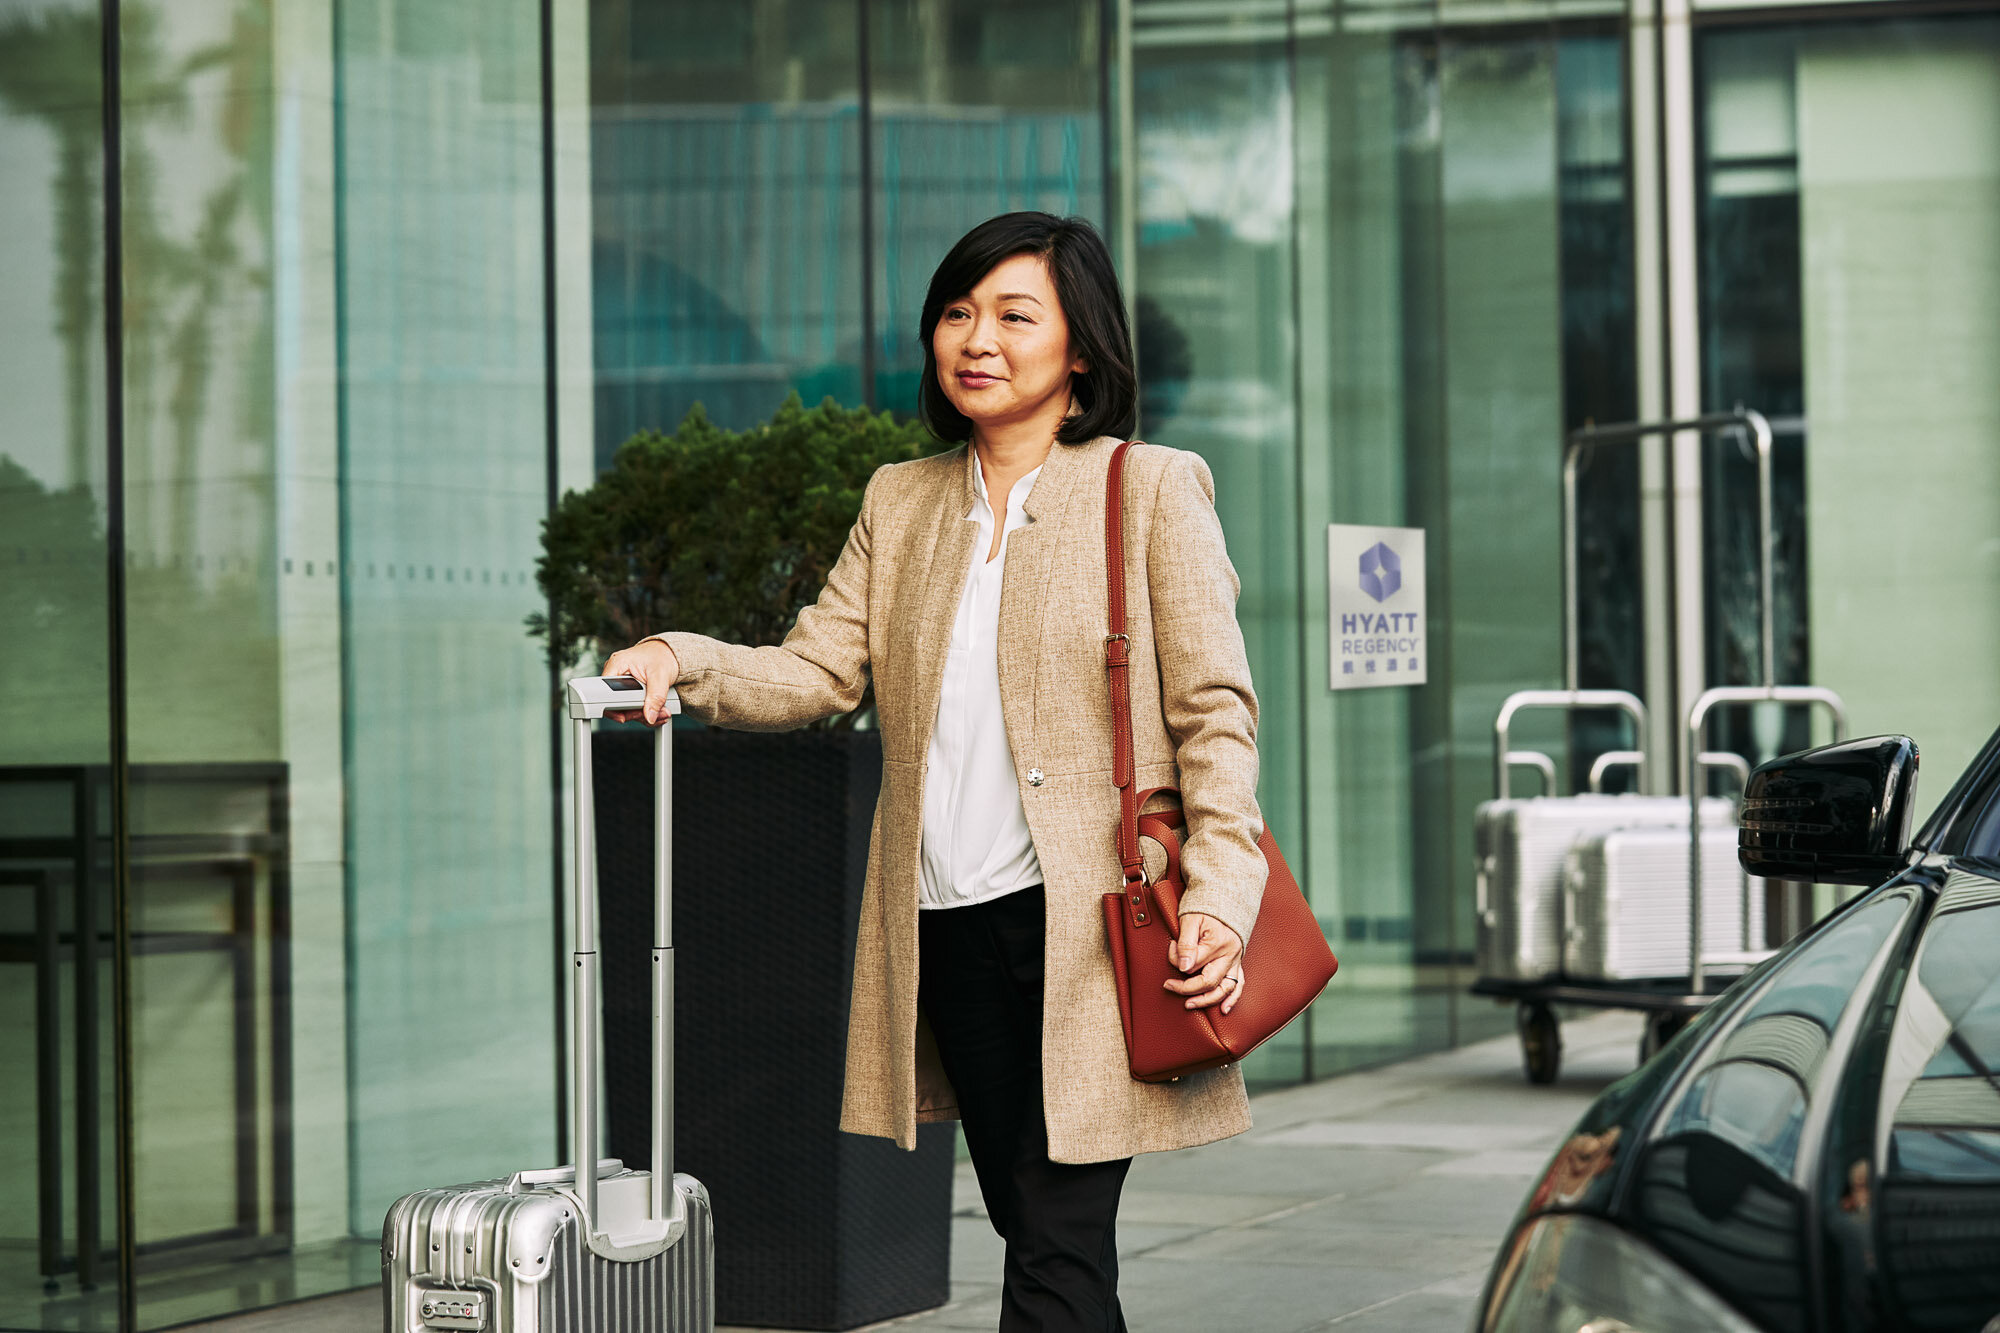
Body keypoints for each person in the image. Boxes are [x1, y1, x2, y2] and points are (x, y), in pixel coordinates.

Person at [601, 211, 1267, 1332]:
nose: (977, 339)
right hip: (945, 928)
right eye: (958, 312)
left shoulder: (1147, 490)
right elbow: (816, 670)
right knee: (1034, 1229)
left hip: (1092, 932)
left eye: (1015, 315)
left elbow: (1214, 715)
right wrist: (684, 658)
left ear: (1081, 351)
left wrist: (1220, 896)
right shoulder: (899, 501)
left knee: (1055, 1245)